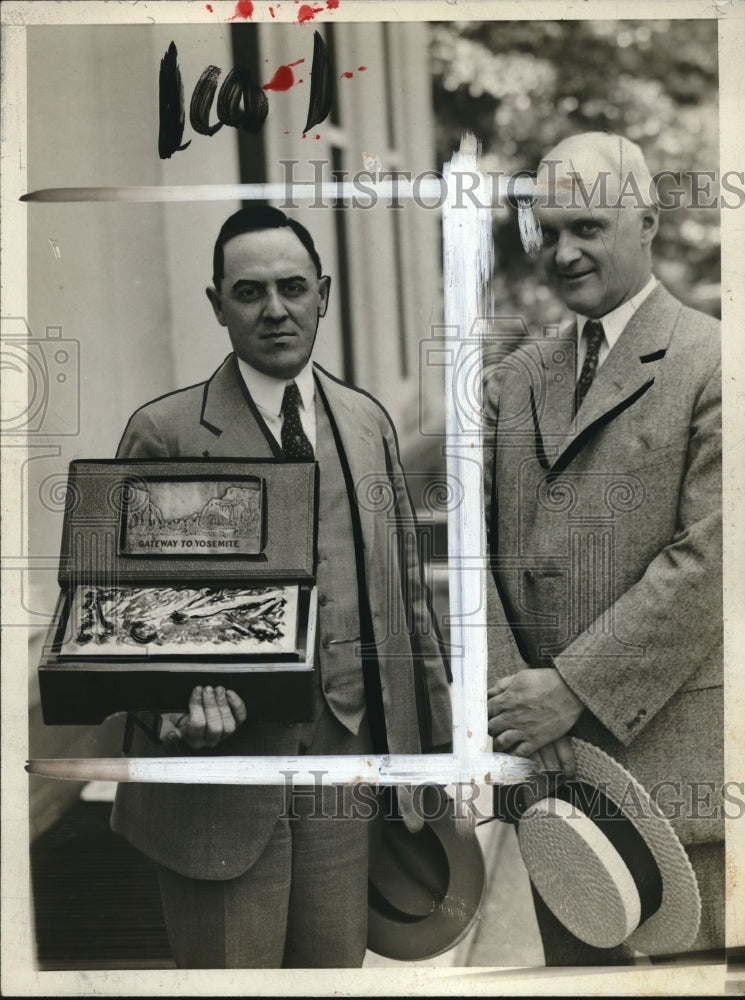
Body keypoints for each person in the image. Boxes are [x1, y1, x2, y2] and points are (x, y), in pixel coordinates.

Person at [110, 205, 452, 968]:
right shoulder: (166, 433)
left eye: (293, 288)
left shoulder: (366, 423)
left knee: (332, 980)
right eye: (250, 292)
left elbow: (404, 607)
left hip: (343, 771)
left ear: (323, 295)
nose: (275, 310)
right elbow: (111, 609)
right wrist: (170, 709)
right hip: (218, 786)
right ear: (217, 305)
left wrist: (430, 757)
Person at [484, 132, 723, 964]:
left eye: (585, 226)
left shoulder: (714, 362)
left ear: (647, 220)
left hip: (672, 778)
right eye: (546, 231)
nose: (562, 251)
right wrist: (517, 707)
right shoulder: (515, 378)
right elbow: (473, 566)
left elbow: (712, 562)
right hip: (555, 792)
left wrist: (573, 689)